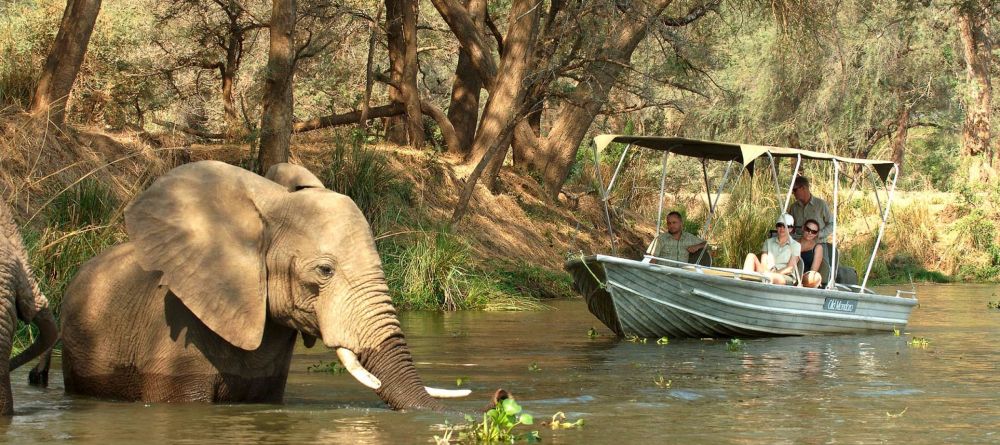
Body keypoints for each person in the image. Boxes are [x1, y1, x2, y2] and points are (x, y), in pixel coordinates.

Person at [743, 213, 801, 285]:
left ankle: (753, 283)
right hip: (766, 273)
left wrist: (772, 274)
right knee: (750, 256)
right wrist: (766, 273)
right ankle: (744, 284)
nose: (782, 228)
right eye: (779, 225)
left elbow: (789, 268)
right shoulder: (768, 242)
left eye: (786, 226)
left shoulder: (796, 245)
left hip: (784, 276)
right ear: (776, 227)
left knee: (772, 277)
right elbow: (763, 263)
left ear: (791, 229)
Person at [788, 176, 833, 243]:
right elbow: (790, 227)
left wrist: (819, 234)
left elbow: (832, 224)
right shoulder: (794, 207)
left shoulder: (821, 205)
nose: (792, 193)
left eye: (794, 190)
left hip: (818, 245)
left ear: (803, 188)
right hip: (799, 246)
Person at [798, 218, 824, 288]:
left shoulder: (817, 247)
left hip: (807, 280)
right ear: (803, 228)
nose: (810, 233)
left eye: (813, 232)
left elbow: (813, 271)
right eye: (807, 229)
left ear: (816, 234)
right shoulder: (794, 243)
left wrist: (801, 279)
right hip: (791, 275)